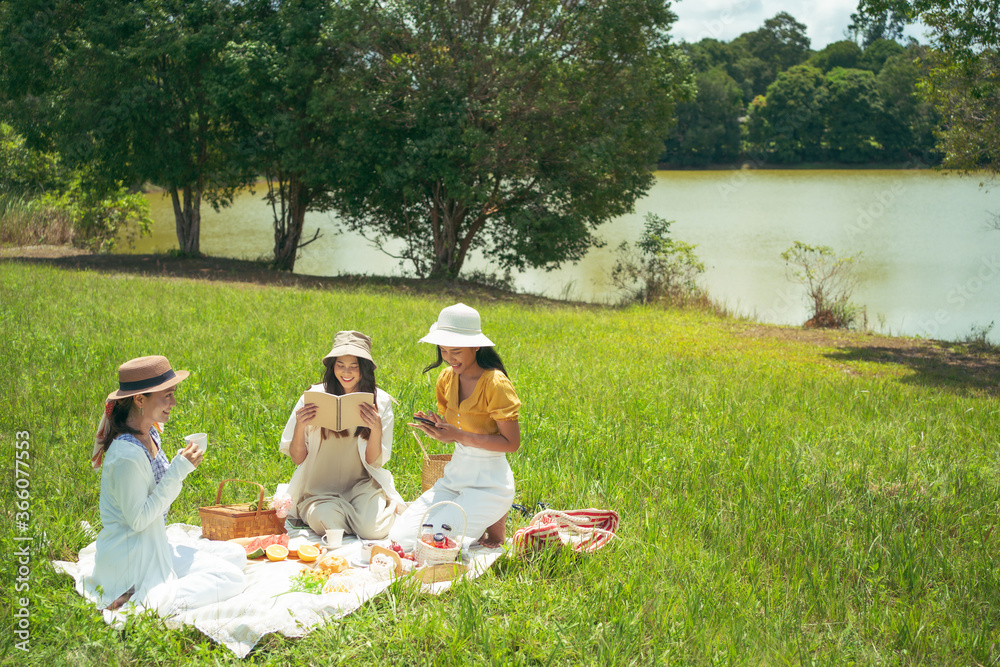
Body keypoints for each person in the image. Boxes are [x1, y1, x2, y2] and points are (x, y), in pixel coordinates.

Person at [88, 355, 245, 613]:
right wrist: (178, 471)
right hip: (131, 559)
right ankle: (143, 601)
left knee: (236, 556)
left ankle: (151, 588)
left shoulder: (149, 431)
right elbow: (138, 521)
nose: (174, 402)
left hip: (153, 543)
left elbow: (153, 495)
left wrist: (179, 468)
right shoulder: (125, 456)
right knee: (231, 578)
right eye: (167, 395)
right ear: (140, 399)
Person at [389, 303, 521, 551]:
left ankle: (492, 515)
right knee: (399, 540)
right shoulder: (447, 378)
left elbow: (512, 444)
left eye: (456, 351)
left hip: (489, 485)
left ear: (476, 346)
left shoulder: (495, 383)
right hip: (452, 481)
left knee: (433, 542)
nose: (449, 358)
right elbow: (455, 436)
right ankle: (477, 522)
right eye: (444, 350)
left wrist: (458, 434)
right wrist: (440, 431)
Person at [278, 331, 405, 539]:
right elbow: (297, 458)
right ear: (332, 366)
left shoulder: (380, 401)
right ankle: (350, 517)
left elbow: (374, 461)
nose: (347, 372)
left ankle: (371, 512)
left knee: (372, 531)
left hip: (361, 487)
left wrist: (376, 429)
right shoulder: (312, 397)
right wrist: (300, 426)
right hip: (319, 490)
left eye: (354, 366)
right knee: (327, 523)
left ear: (364, 368)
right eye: (340, 365)